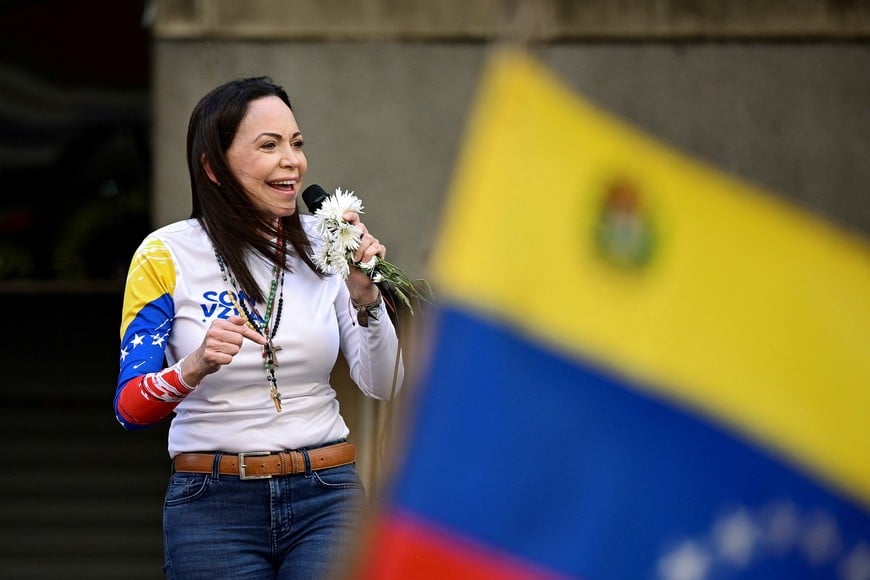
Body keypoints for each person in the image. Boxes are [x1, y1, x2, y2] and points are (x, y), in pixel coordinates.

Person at [113, 76, 404, 579]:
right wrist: (195, 365)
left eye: (296, 143)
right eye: (268, 146)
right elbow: (130, 408)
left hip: (327, 496)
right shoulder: (164, 255)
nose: (292, 160)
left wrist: (367, 299)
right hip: (211, 506)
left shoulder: (328, 241)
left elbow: (384, 383)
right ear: (214, 166)